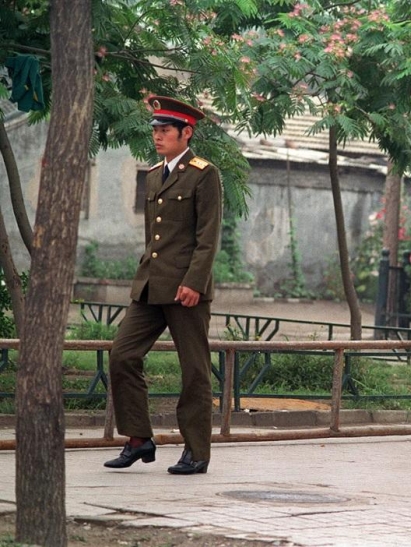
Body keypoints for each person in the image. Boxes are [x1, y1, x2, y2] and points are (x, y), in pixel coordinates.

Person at [104, 95, 222, 475]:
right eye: (155, 130)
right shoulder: (154, 173)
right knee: (122, 354)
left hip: (186, 290)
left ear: (186, 133)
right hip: (151, 286)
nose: (157, 136)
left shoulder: (205, 174)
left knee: (194, 370)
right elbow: (153, 239)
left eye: (165, 130)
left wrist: (194, 282)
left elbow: (208, 236)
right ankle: (139, 438)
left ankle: (196, 451)